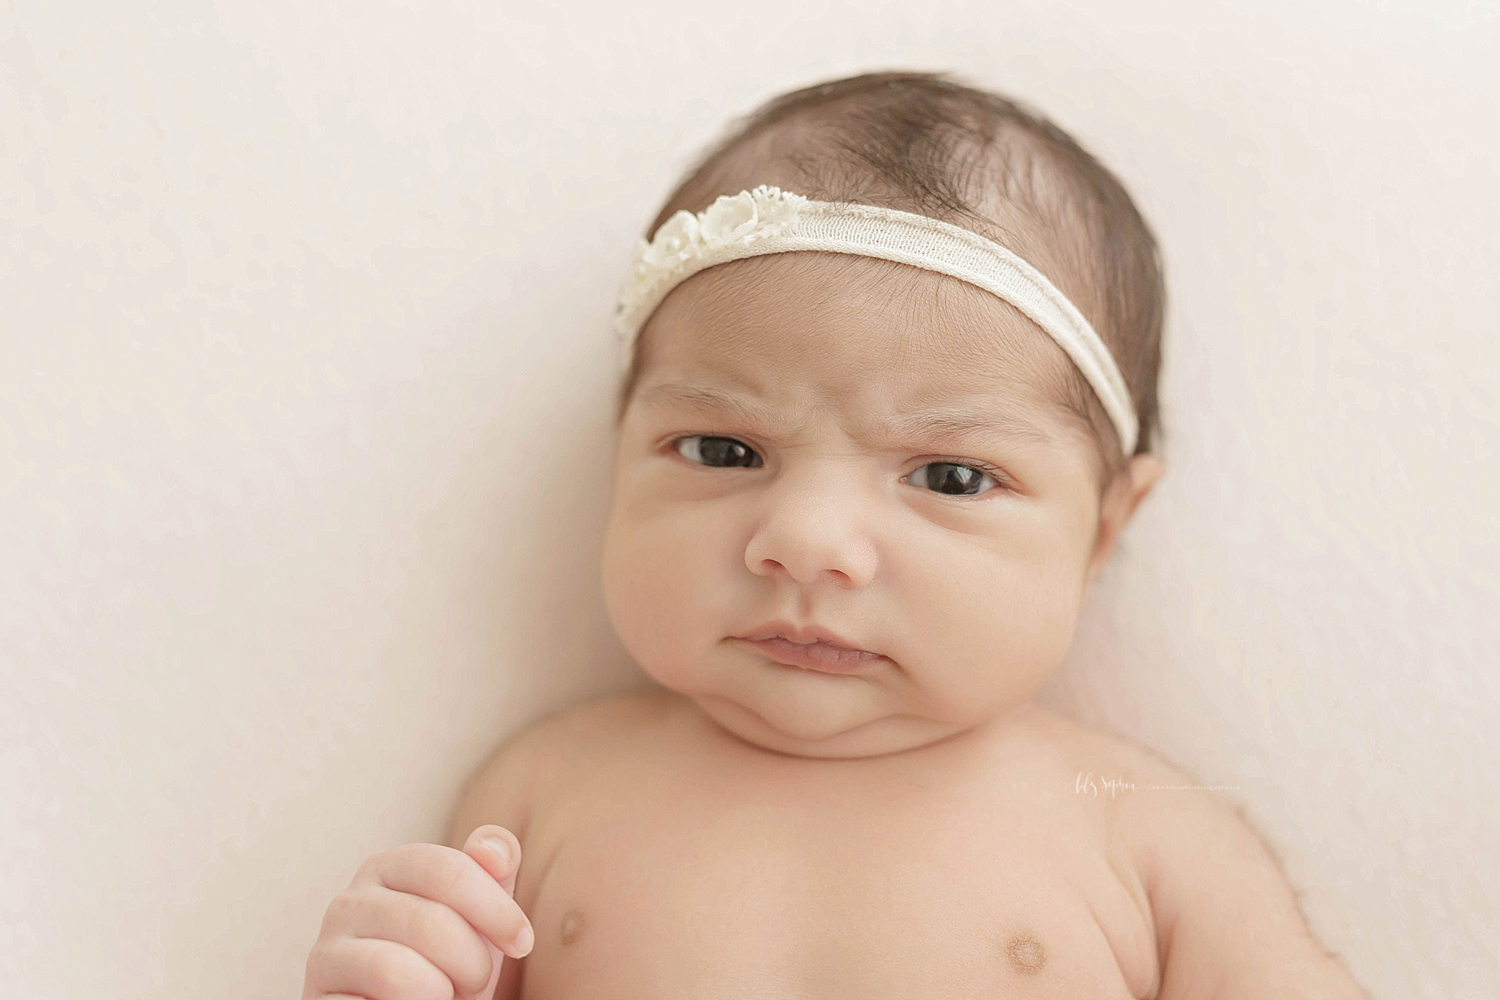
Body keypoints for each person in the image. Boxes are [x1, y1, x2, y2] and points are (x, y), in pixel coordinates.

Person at [301, 71, 1369, 999]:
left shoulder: (1144, 831)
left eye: (950, 475)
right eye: (723, 450)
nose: (805, 541)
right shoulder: (544, 793)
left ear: (1105, 527)